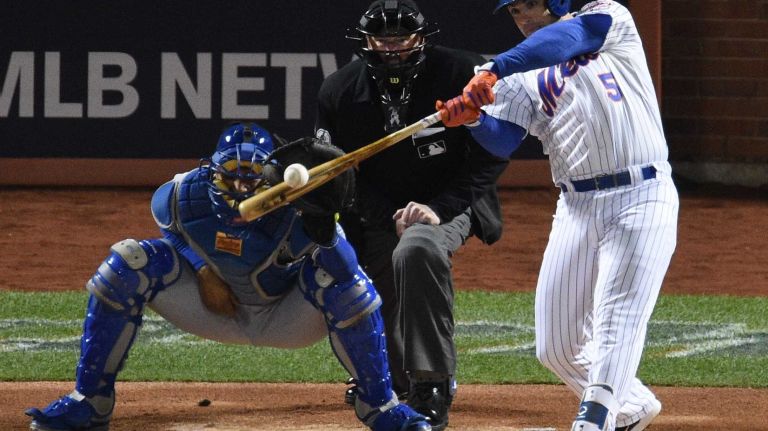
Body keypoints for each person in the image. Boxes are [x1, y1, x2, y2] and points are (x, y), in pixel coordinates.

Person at [25, 122, 432, 431]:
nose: (240, 186)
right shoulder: (182, 195)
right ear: (211, 172)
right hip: (211, 309)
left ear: (272, 179)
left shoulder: (297, 213)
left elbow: (346, 271)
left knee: (350, 289)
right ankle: (90, 400)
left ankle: (379, 406)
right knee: (128, 261)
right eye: (231, 175)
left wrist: (326, 224)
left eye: (251, 177)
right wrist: (202, 270)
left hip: (284, 316)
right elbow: (171, 231)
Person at [437, 1, 678, 430]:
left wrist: (494, 67)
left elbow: (566, 39)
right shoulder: (520, 76)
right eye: (514, 11)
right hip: (576, 207)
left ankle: (594, 421)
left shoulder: (608, 19)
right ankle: (633, 408)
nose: (524, 17)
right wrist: (474, 121)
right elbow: (505, 140)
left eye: (530, 4)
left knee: (614, 319)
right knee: (557, 348)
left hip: (642, 195)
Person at [315, 0, 510, 429]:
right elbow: (343, 174)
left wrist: (437, 210)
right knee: (359, 273)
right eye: (381, 41)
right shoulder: (339, 91)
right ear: (365, 42)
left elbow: (490, 157)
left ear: (421, 38)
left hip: (452, 200)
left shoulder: (464, 74)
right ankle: (387, 378)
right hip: (379, 206)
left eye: (401, 39)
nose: (392, 49)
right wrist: (389, 215)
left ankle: (433, 384)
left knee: (417, 249)